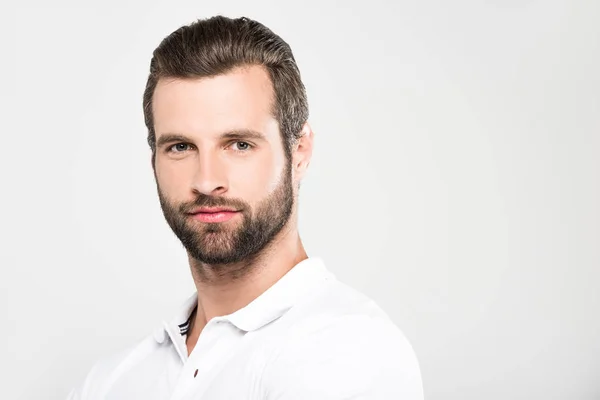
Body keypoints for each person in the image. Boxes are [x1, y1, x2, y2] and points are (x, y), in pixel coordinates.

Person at [67, 15, 423, 400]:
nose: (206, 181)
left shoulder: (351, 353)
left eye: (239, 145)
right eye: (181, 147)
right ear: (154, 159)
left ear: (299, 151)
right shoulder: (109, 382)